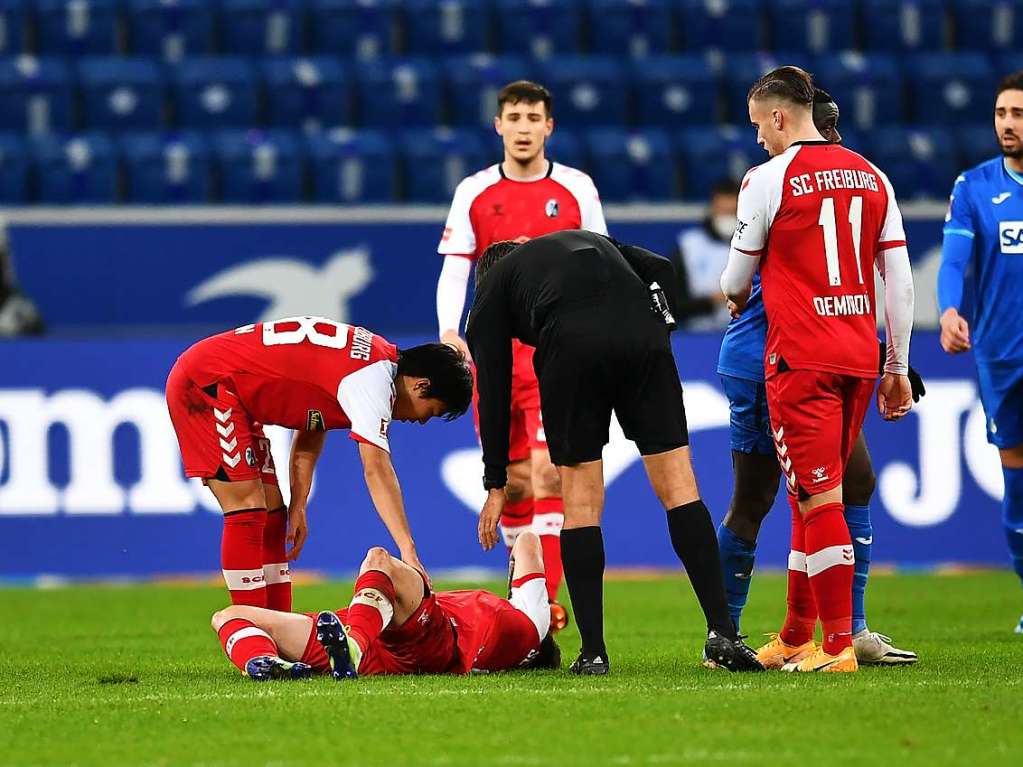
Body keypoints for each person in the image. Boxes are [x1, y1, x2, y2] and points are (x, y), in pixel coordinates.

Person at [467, 230, 763, 675]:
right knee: (681, 488)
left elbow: (493, 390)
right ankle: (722, 633)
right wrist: (661, 321)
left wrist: (495, 482)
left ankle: (594, 652)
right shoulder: (583, 240)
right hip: (644, 337)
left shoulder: (492, 287)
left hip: (571, 347)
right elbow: (661, 268)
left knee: (581, 503)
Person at [714, 88, 918, 665]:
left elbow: (734, 280)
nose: (758, 136)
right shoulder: (873, 177)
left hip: (796, 358)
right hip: (851, 355)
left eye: (759, 124)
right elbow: (897, 283)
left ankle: (834, 643)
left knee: (818, 496)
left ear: (782, 118)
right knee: (801, 495)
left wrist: (735, 293)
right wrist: (896, 364)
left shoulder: (770, 177)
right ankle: (780, 634)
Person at [436, 80, 607, 628]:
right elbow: (456, 265)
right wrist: (448, 329)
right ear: (499, 126)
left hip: (554, 353)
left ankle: (547, 600)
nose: (525, 126)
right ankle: (523, 597)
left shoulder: (577, 188)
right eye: (514, 116)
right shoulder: (475, 191)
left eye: (534, 117)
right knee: (511, 481)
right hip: (494, 355)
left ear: (549, 126)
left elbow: (602, 260)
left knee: (550, 473)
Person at [166, 316, 472, 610]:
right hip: (209, 384)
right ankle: (252, 636)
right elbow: (376, 468)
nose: (420, 420)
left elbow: (312, 421)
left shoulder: (373, 360)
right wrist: (408, 548)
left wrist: (298, 502)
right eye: (430, 411)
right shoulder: (373, 381)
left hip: (235, 393)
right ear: (421, 385)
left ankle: (279, 633)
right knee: (247, 508)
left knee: (274, 515)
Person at [211, 532, 560, 680]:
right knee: (228, 615)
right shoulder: (524, 633)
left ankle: (352, 647)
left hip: (431, 640)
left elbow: (528, 543)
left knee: (380, 559)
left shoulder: (533, 622)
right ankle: (265, 663)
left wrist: (518, 574)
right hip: (383, 638)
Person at [939, 71, 1023, 634]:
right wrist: (948, 308)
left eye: (1017, 114)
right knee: (1016, 486)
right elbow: (952, 261)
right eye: (1001, 114)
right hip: (1002, 354)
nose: (1008, 125)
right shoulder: (974, 186)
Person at [672, 178, 740, 330]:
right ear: (712, 209)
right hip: (699, 336)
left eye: (732, 212)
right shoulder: (689, 246)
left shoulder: (759, 247)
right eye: (723, 212)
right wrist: (710, 302)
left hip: (744, 336)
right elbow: (673, 304)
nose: (727, 219)